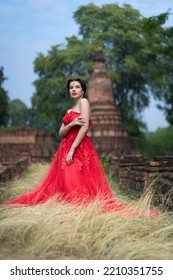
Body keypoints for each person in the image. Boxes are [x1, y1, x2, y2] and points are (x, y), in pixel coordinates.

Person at [4, 78, 158, 216]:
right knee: (64, 178)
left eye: (77, 86)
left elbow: (84, 128)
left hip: (79, 146)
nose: (73, 89)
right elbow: (61, 132)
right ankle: (68, 206)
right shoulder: (69, 110)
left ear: (83, 90)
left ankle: (77, 208)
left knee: (74, 175)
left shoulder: (84, 103)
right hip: (65, 146)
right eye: (71, 87)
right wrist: (70, 124)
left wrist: (72, 149)